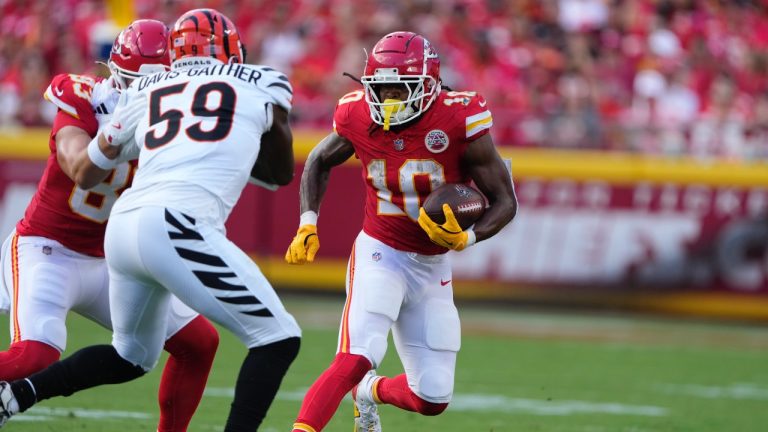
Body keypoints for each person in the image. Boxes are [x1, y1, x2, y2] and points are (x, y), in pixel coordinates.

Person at [0, 8, 301, 432]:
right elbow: (76, 164)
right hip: (49, 247)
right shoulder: (88, 97)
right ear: (115, 74)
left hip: (113, 250)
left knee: (195, 344)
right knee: (35, 354)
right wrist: (112, 136)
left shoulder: (178, 107)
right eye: (134, 81)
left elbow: (267, 167)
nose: (141, 89)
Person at [284, 31, 518, 432]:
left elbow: (504, 200)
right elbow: (319, 160)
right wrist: (308, 222)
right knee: (357, 354)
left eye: (400, 88)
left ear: (429, 86)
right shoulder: (356, 113)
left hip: (432, 265)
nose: (390, 99)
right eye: (382, 88)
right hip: (381, 252)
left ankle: (367, 393)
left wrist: (469, 237)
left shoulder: (459, 117)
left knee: (432, 397)